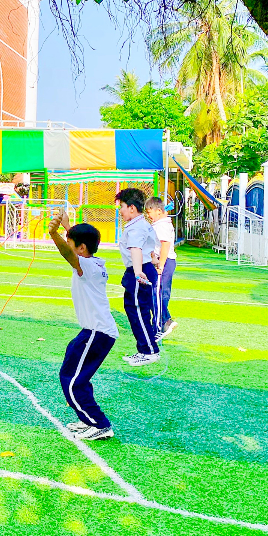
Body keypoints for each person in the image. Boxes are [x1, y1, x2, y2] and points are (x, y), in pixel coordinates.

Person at [48, 210, 119, 441]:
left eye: (71, 242)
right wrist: (67, 227)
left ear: (81, 248)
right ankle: (87, 418)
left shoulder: (86, 266)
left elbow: (67, 252)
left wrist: (54, 234)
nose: (69, 246)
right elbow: (75, 248)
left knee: (73, 381)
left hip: (98, 332)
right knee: (71, 373)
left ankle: (100, 424)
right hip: (93, 331)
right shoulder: (92, 262)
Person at [115, 188, 160, 366]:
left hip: (139, 270)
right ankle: (145, 349)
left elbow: (136, 248)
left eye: (122, 206)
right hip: (143, 268)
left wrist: (137, 271)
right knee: (138, 311)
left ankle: (149, 351)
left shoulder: (136, 226)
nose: (121, 211)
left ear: (132, 208)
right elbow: (150, 245)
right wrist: (153, 260)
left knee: (138, 311)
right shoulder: (142, 224)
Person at [147, 196, 178, 340]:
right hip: (162, 261)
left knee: (158, 294)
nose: (148, 215)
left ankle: (162, 324)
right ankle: (163, 322)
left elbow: (165, 245)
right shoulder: (160, 223)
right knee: (156, 293)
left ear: (158, 211)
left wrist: (161, 265)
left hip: (164, 262)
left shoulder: (162, 225)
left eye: (149, 212)